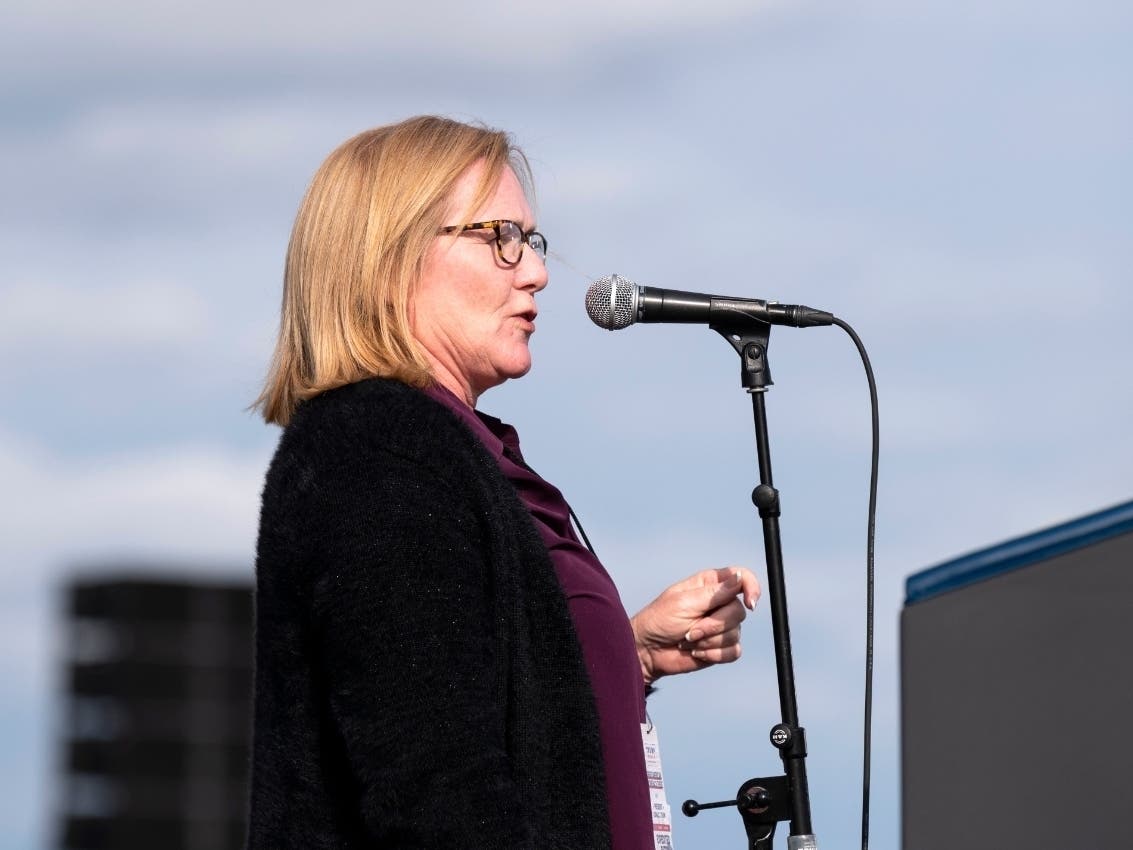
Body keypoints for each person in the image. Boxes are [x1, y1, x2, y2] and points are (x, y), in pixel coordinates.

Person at [247, 115, 760, 850]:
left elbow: (462, 693)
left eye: (531, 241)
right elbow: (435, 788)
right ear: (388, 256)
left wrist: (628, 652)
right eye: (500, 238)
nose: (536, 271)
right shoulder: (380, 448)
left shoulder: (445, 447)